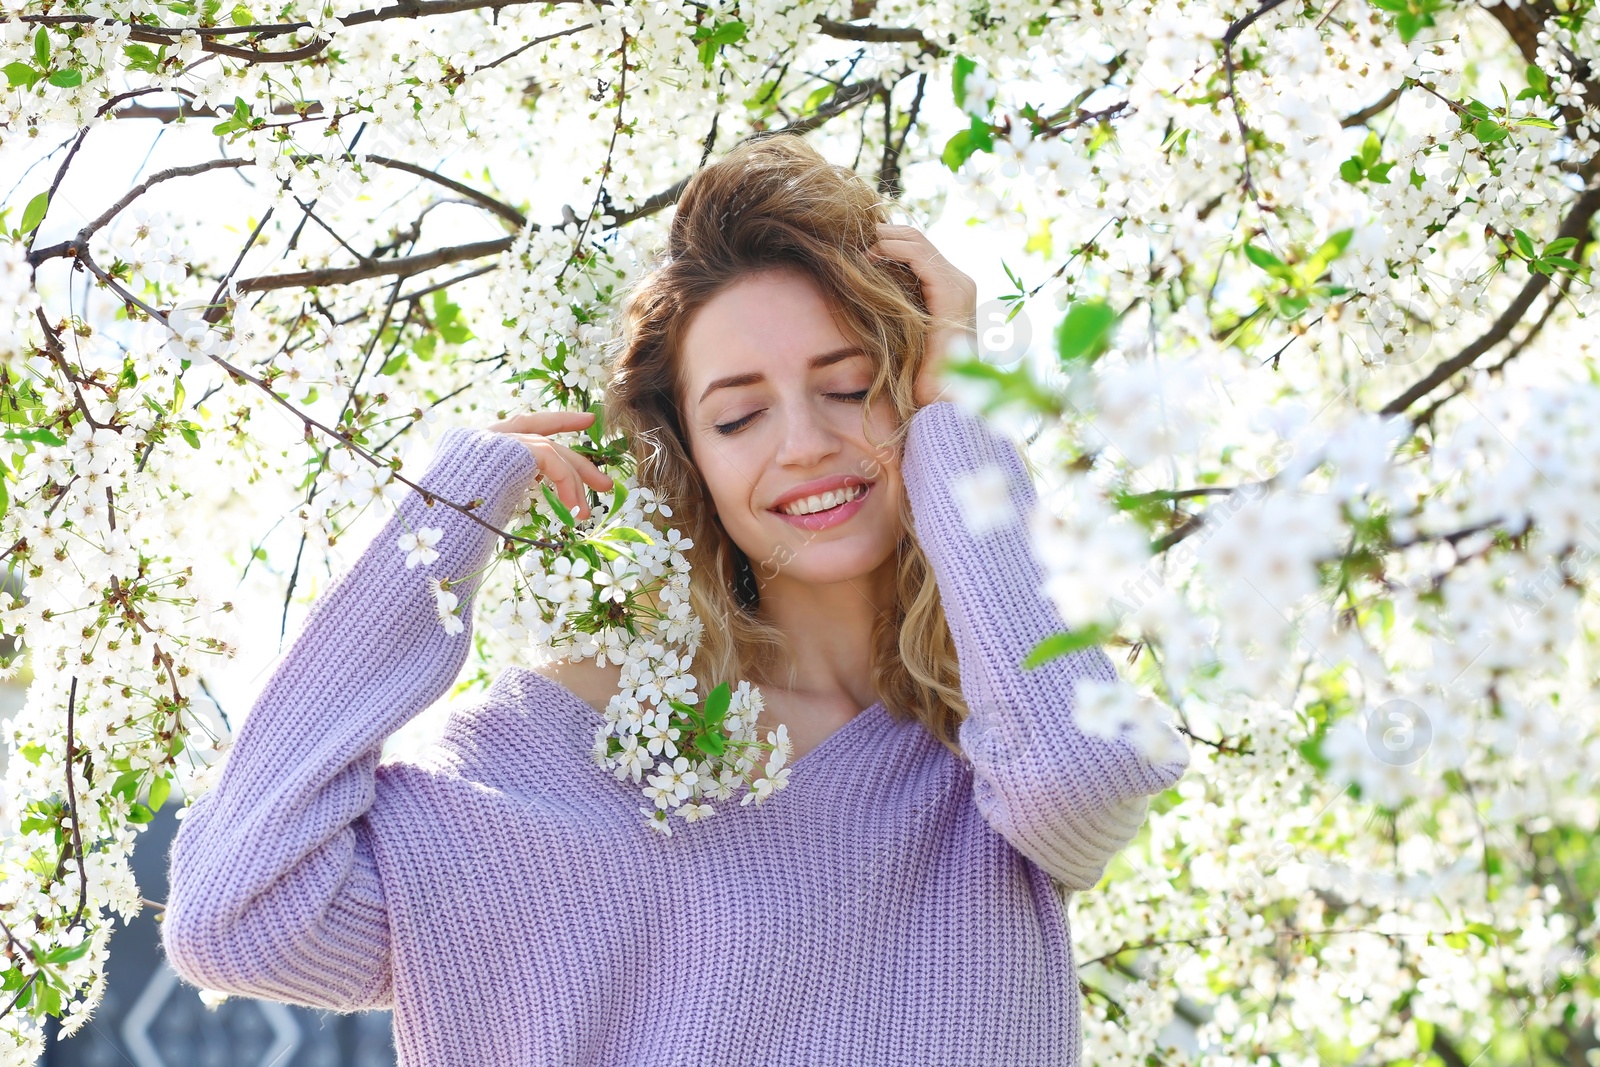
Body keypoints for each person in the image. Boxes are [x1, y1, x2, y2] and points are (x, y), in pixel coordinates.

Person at [161, 134, 1190, 1066]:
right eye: (739, 415)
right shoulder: (548, 762)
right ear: (689, 457)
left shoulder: (989, 764)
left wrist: (959, 419)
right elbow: (235, 917)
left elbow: (1088, 770)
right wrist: (445, 513)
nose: (803, 443)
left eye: (848, 385)